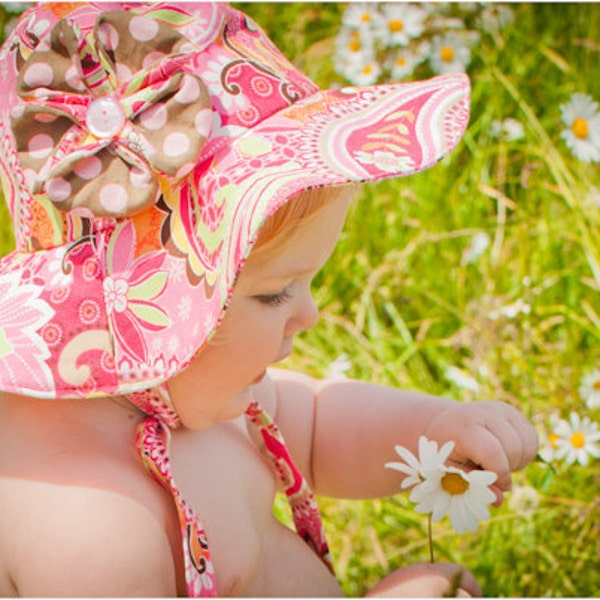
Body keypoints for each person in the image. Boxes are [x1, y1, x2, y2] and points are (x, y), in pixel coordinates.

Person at [0, 2, 538, 597]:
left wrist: (435, 431)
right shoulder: (96, 529)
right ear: (147, 309)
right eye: (276, 293)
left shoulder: (197, 397)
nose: (308, 317)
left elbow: (313, 424)